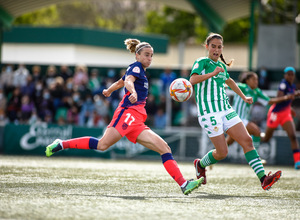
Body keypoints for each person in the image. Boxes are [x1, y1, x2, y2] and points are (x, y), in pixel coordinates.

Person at [45, 38, 204, 195]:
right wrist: (133, 91)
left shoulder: (139, 70)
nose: (150, 58)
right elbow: (128, 81)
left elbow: (120, 82)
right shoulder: (135, 67)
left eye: (151, 55)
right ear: (137, 56)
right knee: (102, 145)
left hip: (138, 119)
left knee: (164, 148)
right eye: (147, 55)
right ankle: (62, 143)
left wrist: (109, 90)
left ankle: (183, 184)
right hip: (128, 113)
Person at [190, 33, 281, 191]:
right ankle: (200, 164)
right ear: (207, 47)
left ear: (222, 48)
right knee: (222, 152)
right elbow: (192, 80)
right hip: (208, 113)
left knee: (247, 141)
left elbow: (230, 81)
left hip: (226, 109)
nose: (216, 49)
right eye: (213, 46)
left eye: (219, 47)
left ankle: (263, 179)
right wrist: (212, 73)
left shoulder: (222, 67)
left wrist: (244, 96)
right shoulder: (202, 62)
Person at [226, 71, 294, 155]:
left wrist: (286, 97)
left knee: (228, 142)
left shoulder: (256, 92)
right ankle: (256, 156)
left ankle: (214, 155)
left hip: (242, 120)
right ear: (247, 80)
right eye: (253, 79)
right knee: (257, 132)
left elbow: (270, 101)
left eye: (257, 80)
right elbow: (227, 86)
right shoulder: (242, 87)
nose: (256, 82)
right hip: (236, 118)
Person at [261, 67, 300, 169]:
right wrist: (290, 96)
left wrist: (289, 108)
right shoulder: (283, 84)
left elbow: (287, 100)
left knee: (292, 136)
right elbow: (279, 98)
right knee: (266, 138)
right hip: (276, 113)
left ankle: (297, 162)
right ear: (285, 75)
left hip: (285, 113)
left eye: (292, 74)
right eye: (289, 74)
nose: (290, 76)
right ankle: (256, 136)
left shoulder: (292, 85)